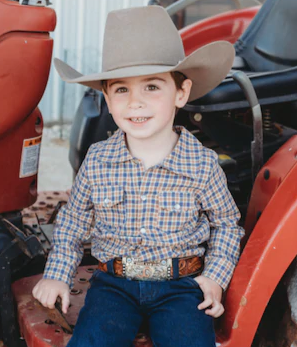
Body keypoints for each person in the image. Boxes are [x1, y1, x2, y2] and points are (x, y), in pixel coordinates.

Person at [32, 5, 244, 347]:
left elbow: (226, 224)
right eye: (121, 90)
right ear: (107, 99)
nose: (135, 103)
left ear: (181, 93)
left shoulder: (202, 165)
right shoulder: (98, 160)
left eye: (151, 87)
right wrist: (57, 276)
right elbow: (73, 222)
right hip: (114, 284)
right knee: (91, 342)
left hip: (181, 285)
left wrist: (215, 277)